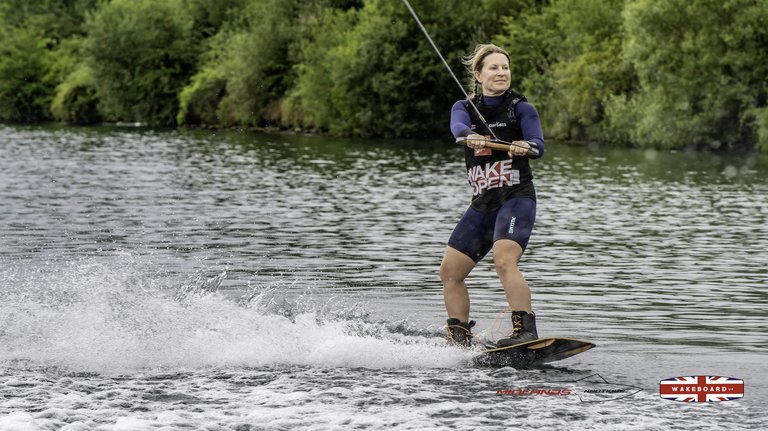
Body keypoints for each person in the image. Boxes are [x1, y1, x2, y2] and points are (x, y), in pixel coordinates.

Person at [441, 43, 545, 348]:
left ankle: (525, 331)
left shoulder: (521, 109)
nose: (502, 73)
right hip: (483, 204)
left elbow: (538, 144)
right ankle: (459, 338)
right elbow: (458, 127)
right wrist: (469, 136)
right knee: (450, 271)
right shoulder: (464, 108)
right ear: (478, 74)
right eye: (494, 68)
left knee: (504, 261)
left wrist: (526, 146)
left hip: (516, 199)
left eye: (506, 67)